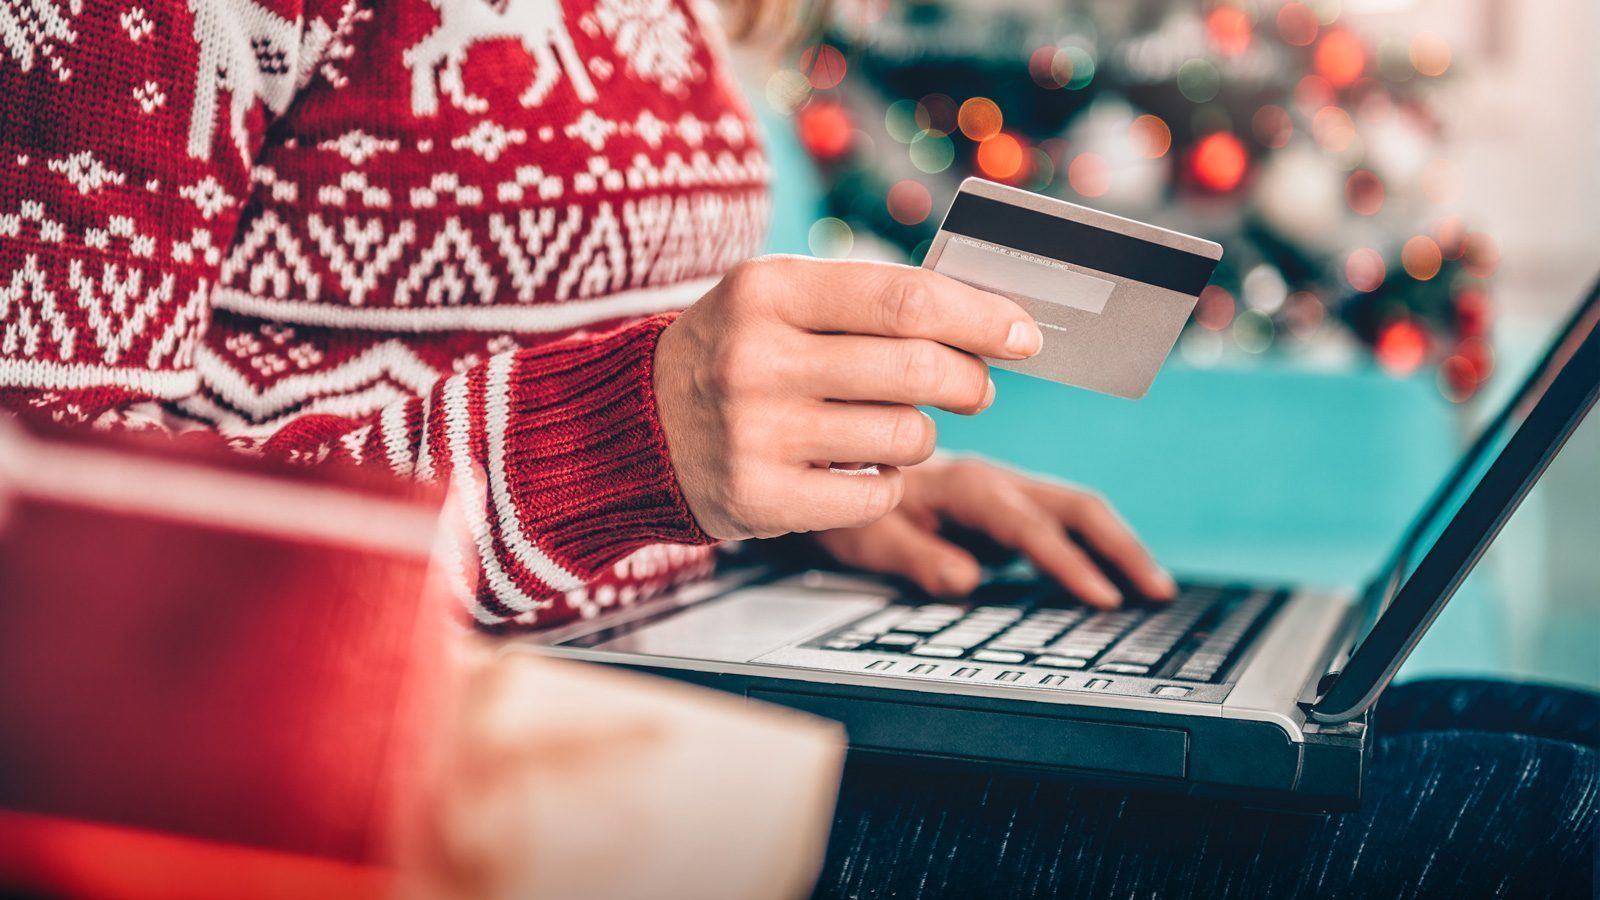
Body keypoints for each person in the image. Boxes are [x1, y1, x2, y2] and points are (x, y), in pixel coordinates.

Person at [1, 1, 1592, 896]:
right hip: (486, 783)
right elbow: (48, 577)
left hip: (700, 643)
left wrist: (797, 499)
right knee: (1532, 820)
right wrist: (625, 438)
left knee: (1536, 738)